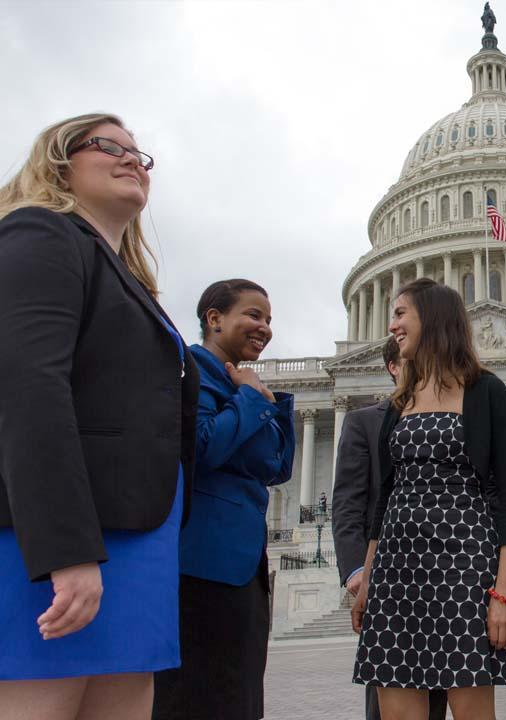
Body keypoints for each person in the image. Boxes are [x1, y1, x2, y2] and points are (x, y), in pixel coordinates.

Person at [0, 113, 198, 720]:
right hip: (69, 535)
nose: (133, 159)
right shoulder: (41, 233)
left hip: (137, 536)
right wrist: (67, 550)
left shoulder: (129, 277)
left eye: (141, 154)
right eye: (109, 146)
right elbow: (29, 391)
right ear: (59, 161)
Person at [352, 278, 506, 720]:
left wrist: (504, 593)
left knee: (469, 707)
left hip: (463, 562)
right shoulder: (399, 400)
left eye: (400, 314)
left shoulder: (486, 391)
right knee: (398, 711)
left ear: (431, 318)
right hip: (396, 567)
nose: (392, 326)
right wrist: (368, 575)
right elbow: (385, 498)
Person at [152, 280, 295, 719]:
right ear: (214, 319)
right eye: (253, 315)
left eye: (268, 319)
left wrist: (272, 404)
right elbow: (205, 447)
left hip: (243, 564)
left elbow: (277, 466)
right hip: (202, 560)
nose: (264, 327)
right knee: (200, 693)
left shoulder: (240, 384)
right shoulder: (189, 371)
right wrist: (252, 399)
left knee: (240, 694)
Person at [332, 337, 448, 720]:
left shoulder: (452, 421)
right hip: (385, 577)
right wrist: (355, 571)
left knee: (441, 694)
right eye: (409, 361)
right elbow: (348, 501)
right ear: (392, 368)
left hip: (444, 578)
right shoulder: (363, 421)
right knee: (388, 699)